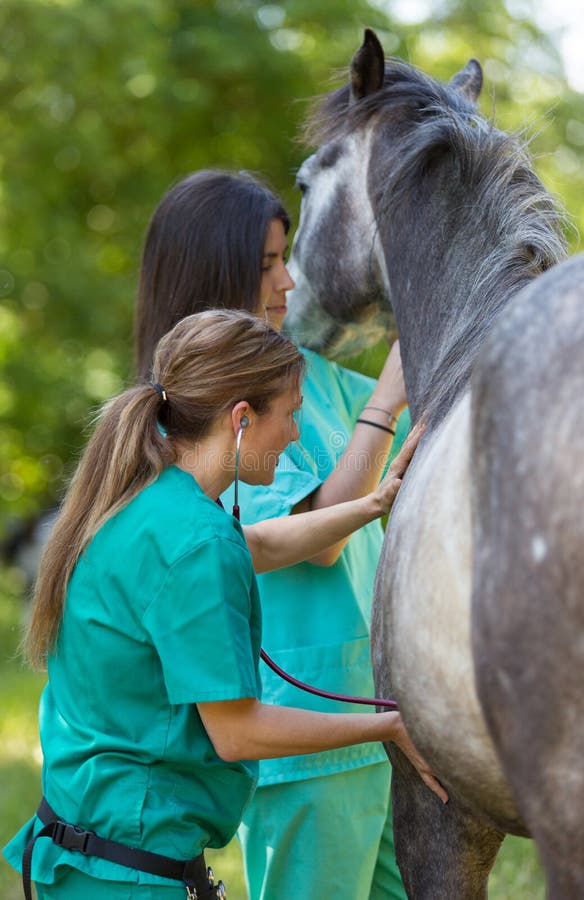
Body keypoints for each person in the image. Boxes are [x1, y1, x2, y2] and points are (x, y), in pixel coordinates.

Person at [3, 310, 445, 900]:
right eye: (289, 415)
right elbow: (237, 733)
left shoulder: (145, 500)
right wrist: (389, 724)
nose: (294, 435)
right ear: (241, 419)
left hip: (82, 857)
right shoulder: (197, 542)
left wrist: (372, 503)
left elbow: (252, 544)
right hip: (132, 873)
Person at [134, 170, 414, 900]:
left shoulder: (314, 377)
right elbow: (310, 537)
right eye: (265, 264)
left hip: (379, 710)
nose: (289, 281)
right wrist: (387, 395)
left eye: (284, 258)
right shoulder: (220, 414)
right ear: (210, 268)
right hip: (307, 724)